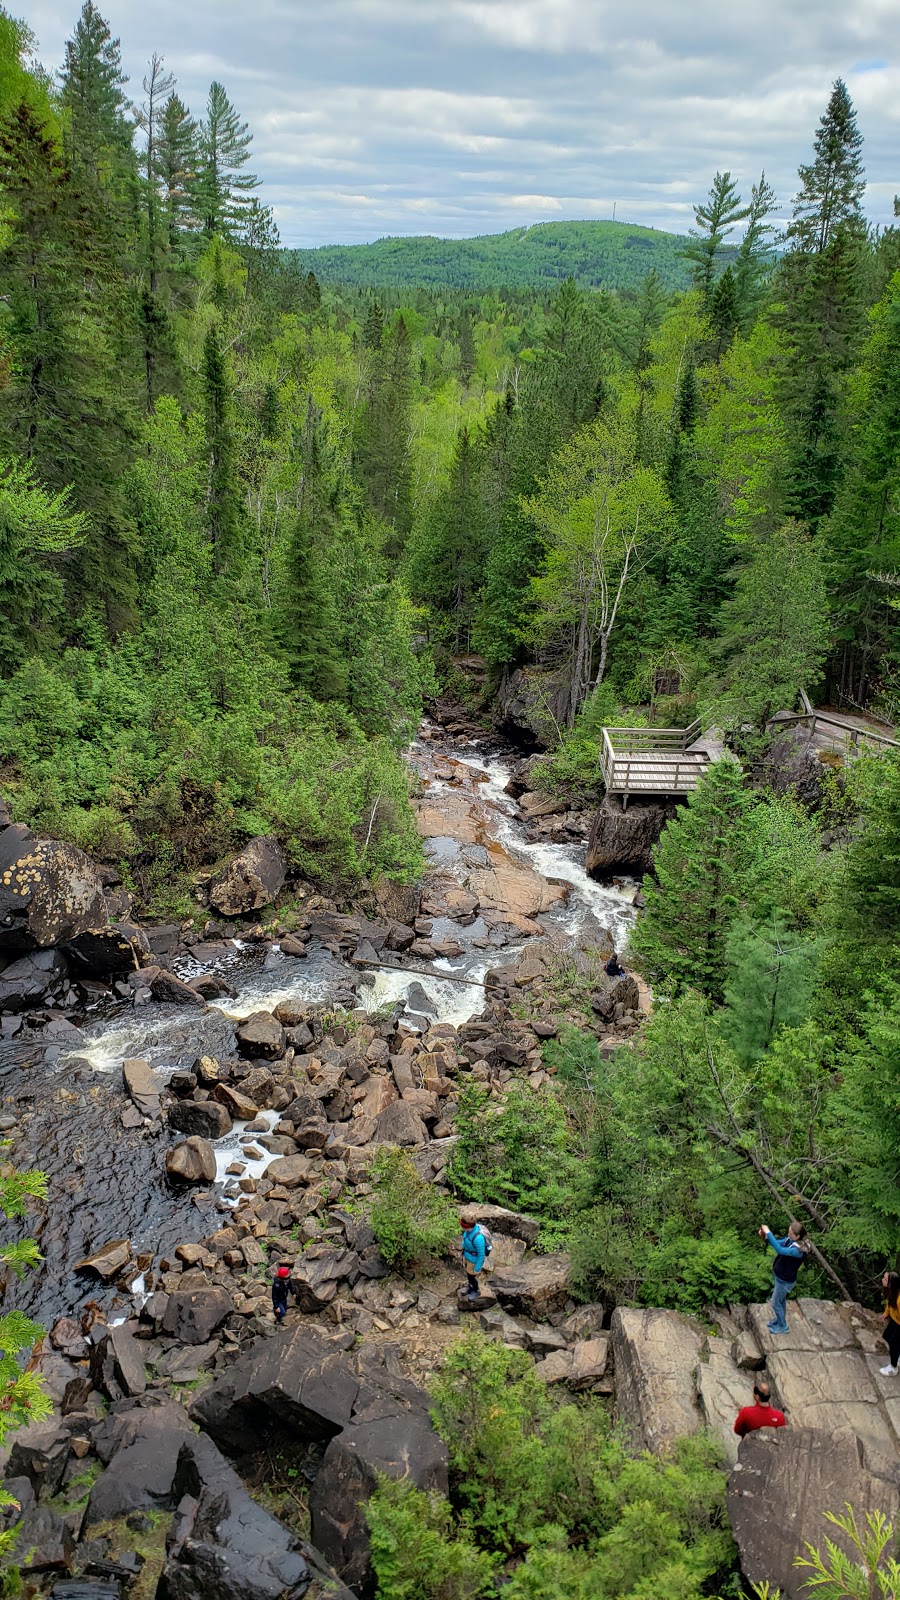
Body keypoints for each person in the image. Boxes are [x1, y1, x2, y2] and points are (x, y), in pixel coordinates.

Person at [759, 1221, 811, 1334]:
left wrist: (769, 1232)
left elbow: (780, 1250)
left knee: (775, 1303)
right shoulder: (791, 1240)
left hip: (785, 1281)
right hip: (781, 1277)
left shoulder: (798, 1251)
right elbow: (777, 1243)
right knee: (780, 1301)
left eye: (791, 1234)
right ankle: (779, 1320)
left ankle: (783, 1327)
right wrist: (766, 1237)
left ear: (798, 1236)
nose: (788, 1235)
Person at [460, 1213, 487, 1301]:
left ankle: (475, 1290)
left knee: (471, 1277)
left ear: (467, 1227)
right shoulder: (467, 1232)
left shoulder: (478, 1238)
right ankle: (470, 1287)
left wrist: (478, 1267)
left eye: (462, 1226)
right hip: (467, 1256)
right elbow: (465, 1240)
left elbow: (481, 1254)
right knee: (468, 1275)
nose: (461, 1227)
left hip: (473, 1260)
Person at [880, 1270, 900, 1376]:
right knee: (887, 1336)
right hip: (895, 1319)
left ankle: (893, 1367)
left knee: (893, 1343)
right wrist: (886, 1313)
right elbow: (889, 1303)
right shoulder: (892, 1291)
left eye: (885, 1279)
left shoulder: (899, 1300)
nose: (882, 1280)